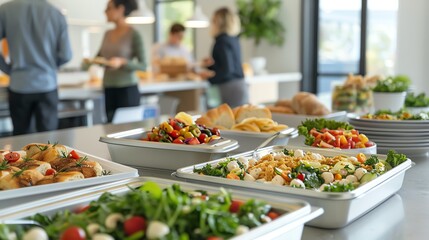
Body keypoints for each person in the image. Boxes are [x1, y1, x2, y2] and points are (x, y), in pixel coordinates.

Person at [0, 0, 72, 135]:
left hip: (19, 85)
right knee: (49, 140)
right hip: (47, 85)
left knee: (21, 138)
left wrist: (9, 69)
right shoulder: (56, 13)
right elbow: (66, 55)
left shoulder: (4, 10)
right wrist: (49, 67)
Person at [87, 0, 146, 123]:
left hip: (127, 89)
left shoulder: (134, 34)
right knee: (109, 127)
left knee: (128, 129)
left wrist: (123, 62)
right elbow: (99, 58)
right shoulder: (107, 34)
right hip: (108, 87)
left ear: (121, 9)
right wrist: (90, 61)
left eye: (109, 8)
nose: (105, 12)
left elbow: (143, 65)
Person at [203, 7, 248, 108]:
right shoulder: (233, 39)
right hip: (239, 84)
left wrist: (210, 78)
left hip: (230, 88)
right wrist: (212, 65)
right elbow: (227, 64)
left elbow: (227, 69)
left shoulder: (221, 41)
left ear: (218, 22)